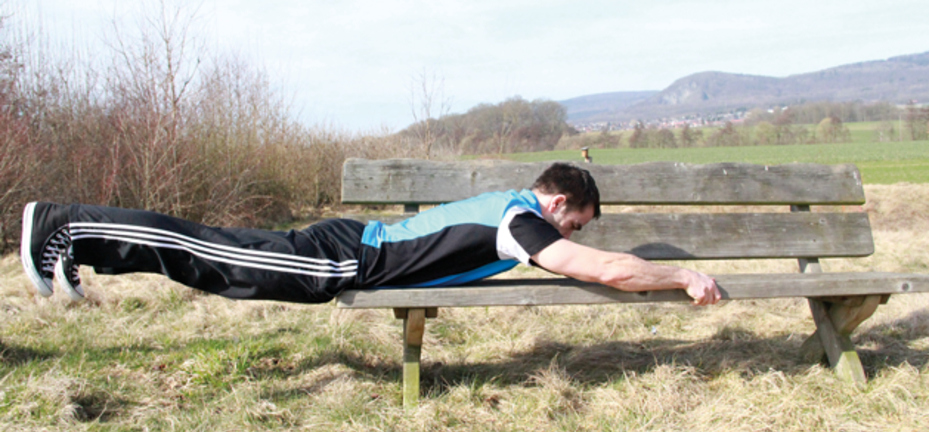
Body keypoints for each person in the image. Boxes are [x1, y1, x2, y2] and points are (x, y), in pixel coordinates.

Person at [20, 163, 720, 306]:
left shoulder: (509, 206)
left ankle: (74, 250)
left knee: (212, 259)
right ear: (561, 201)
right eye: (574, 222)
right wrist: (685, 276)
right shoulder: (520, 220)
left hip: (348, 250)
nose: (565, 235)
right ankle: (59, 226)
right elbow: (602, 268)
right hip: (344, 259)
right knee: (208, 254)